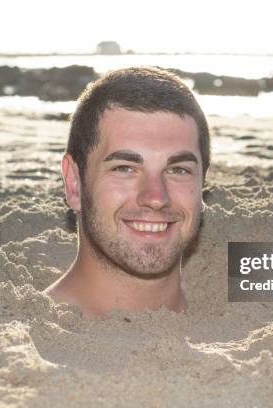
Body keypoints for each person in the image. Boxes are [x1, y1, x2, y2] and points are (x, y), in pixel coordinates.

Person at [44, 67, 210, 317]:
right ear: (74, 183)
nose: (156, 198)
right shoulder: (23, 341)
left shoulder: (251, 290)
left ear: (202, 185)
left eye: (178, 170)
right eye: (125, 168)